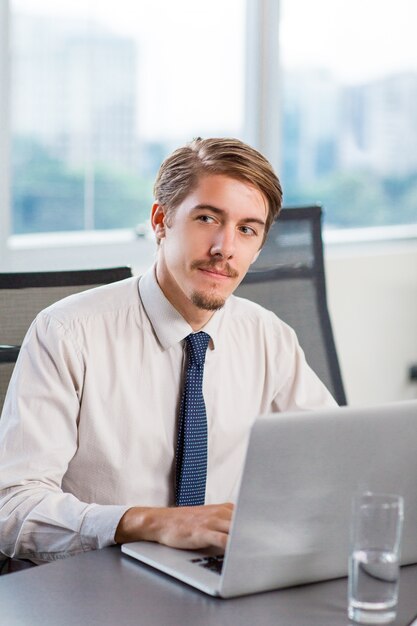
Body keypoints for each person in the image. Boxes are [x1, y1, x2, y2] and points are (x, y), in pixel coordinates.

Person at [0, 137, 336, 566]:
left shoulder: (267, 335)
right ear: (161, 220)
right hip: (97, 578)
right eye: (207, 218)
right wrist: (151, 522)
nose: (224, 247)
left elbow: (332, 462)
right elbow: (12, 508)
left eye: (247, 229)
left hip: (217, 573)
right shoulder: (67, 332)